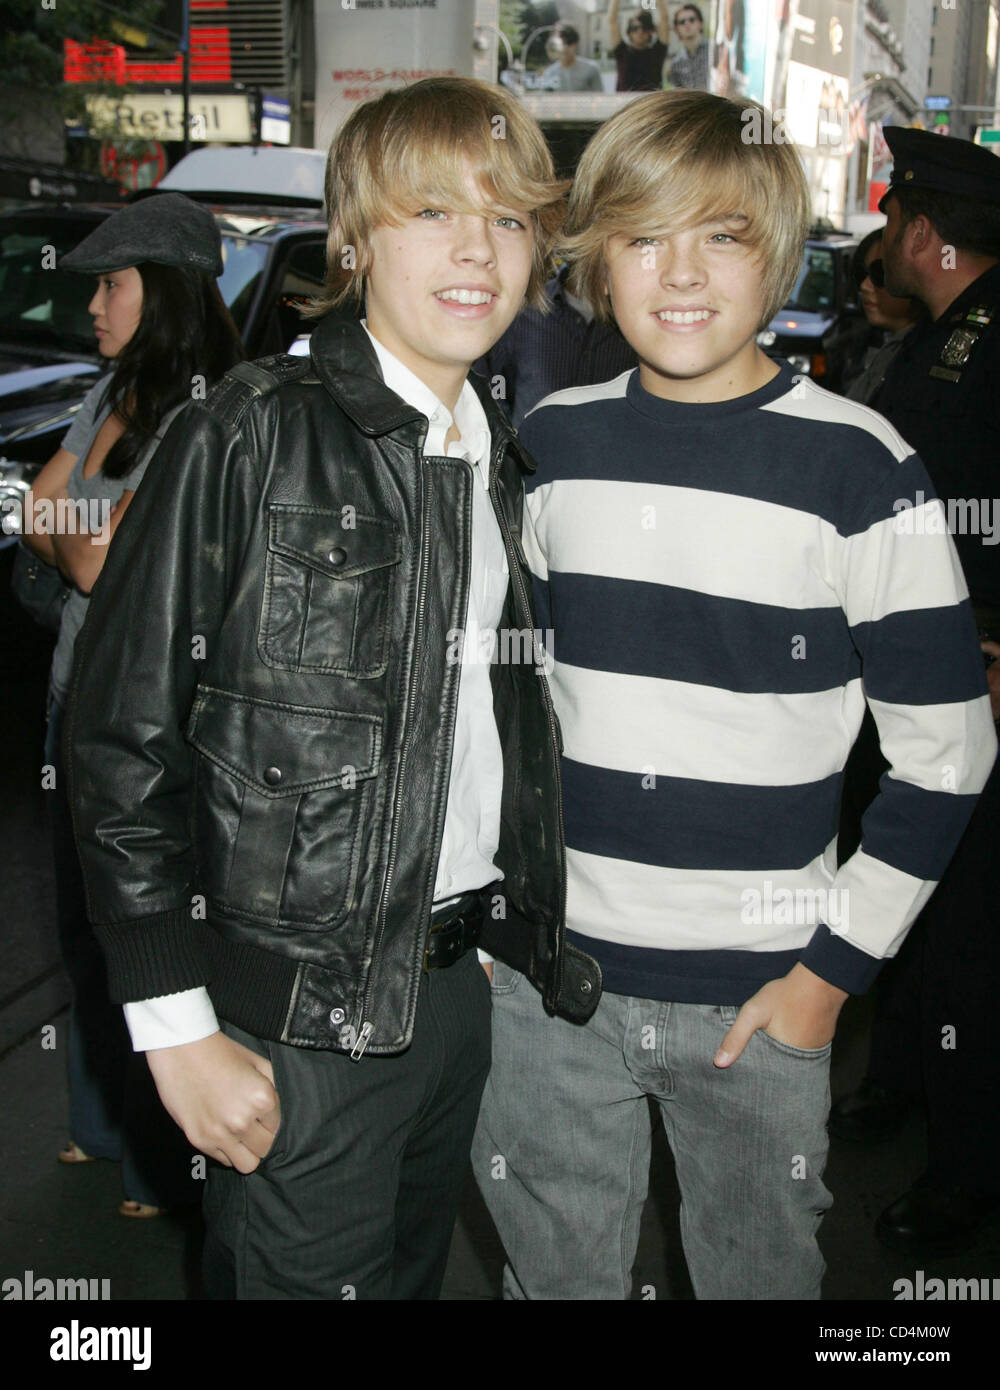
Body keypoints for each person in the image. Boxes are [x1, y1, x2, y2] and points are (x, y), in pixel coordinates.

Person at [67, 76, 598, 1300]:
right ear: (355, 239)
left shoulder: (494, 456)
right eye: (430, 212)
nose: (476, 249)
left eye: (509, 218)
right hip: (293, 1023)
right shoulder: (250, 431)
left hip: (456, 995)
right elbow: (116, 740)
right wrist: (176, 1027)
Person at [472, 89, 996, 1300]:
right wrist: (495, 908)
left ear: (780, 251)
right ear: (596, 260)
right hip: (554, 992)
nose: (681, 273)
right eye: (644, 237)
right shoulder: (549, 445)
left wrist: (827, 978)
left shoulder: (862, 467)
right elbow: (508, 704)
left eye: (723, 234)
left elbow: (948, 753)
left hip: (761, 1002)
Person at [19, 193, 244, 1218]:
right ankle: (100, 1125)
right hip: (77, 697)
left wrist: (75, 534)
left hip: (158, 722)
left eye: (111, 286)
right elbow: (41, 516)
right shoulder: (109, 391)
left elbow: (97, 557)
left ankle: (164, 1156)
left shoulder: (212, 409)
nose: (96, 307)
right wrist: (79, 535)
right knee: (79, 922)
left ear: (161, 293)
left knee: (149, 931)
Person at [831, 127, 1000, 1257]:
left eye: (897, 222)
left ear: (926, 235)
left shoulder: (985, 345)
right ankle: (906, 1083)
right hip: (925, 673)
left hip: (975, 686)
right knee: (926, 910)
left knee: (969, 936)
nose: (887, 241)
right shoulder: (952, 341)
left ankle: (966, 1175)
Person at [475, 260, 636, 426]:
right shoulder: (524, 310)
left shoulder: (634, 321)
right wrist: (502, 427)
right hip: (528, 446)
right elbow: (495, 378)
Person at [843, 229, 924, 404]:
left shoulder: (923, 357)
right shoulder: (865, 346)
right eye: (862, 275)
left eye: (880, 274)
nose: (865, 286)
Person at [608, 0, 670, 92]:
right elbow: (612, 20)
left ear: (650, 30)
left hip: (652, 104)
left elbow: (664, 19)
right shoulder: (622, 51)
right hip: (627, 104)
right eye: (635, 28)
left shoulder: (658, 52)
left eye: (644, 27)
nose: (640, 31)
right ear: (629, 32)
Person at [540, 22, 603, 92]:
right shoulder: (549, 74)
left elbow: (600, 98)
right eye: (561, 44)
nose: (565, 47)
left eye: (569, 42)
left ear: (576, 43)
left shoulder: (591, 69)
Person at [667, 4, 709, 91]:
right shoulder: (676, 63)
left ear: (700, 24)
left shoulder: (714, 51)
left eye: (692, 20)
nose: (687, 23)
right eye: (682, 22)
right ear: (677, 29)